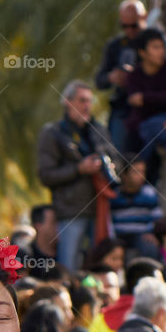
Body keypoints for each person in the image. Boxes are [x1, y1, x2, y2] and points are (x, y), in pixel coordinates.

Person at [37, 81, 119, 272]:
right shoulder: (53, 133)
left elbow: (118, 163)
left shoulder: (99, 131)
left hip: (101, 211)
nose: (86, 106)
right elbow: (46, 175)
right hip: (71, 213)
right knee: (69, 269)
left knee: (101, 268)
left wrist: (106, 165)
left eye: (89, 101)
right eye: (82, 100)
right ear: (67, 101)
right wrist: (79, 169)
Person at [125, 27, 166, 178]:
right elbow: (135, 103)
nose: (161, 51)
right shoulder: (135, 76)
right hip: (143, 129)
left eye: (162, 46)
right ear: (142, 52)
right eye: (155, 47)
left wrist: (145, 97)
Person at [95, 0, 148, 152]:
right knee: (118, 155)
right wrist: (112, 77)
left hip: (150, 108)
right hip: (122, 109)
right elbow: (99, 80)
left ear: (143, 17)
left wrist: (137, 76)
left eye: (134, 25)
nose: (129, 30)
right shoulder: (115, 45)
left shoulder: (154, 41)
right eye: (124, 26)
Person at [109, 159, 162, 254]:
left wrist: (153, 234)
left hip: (142, 234)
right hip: (119, 235)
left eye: (143, 171)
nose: (141, 176)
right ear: (124, 175)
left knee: (150, 246)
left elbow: (157, 219)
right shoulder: (113, 195)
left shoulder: (149, 194)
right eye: (136, 172)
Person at [15, 205, 58, 280]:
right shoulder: (23, 254)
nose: (59, 227)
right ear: (38, 226)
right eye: (53, 222)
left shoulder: (67, 254)